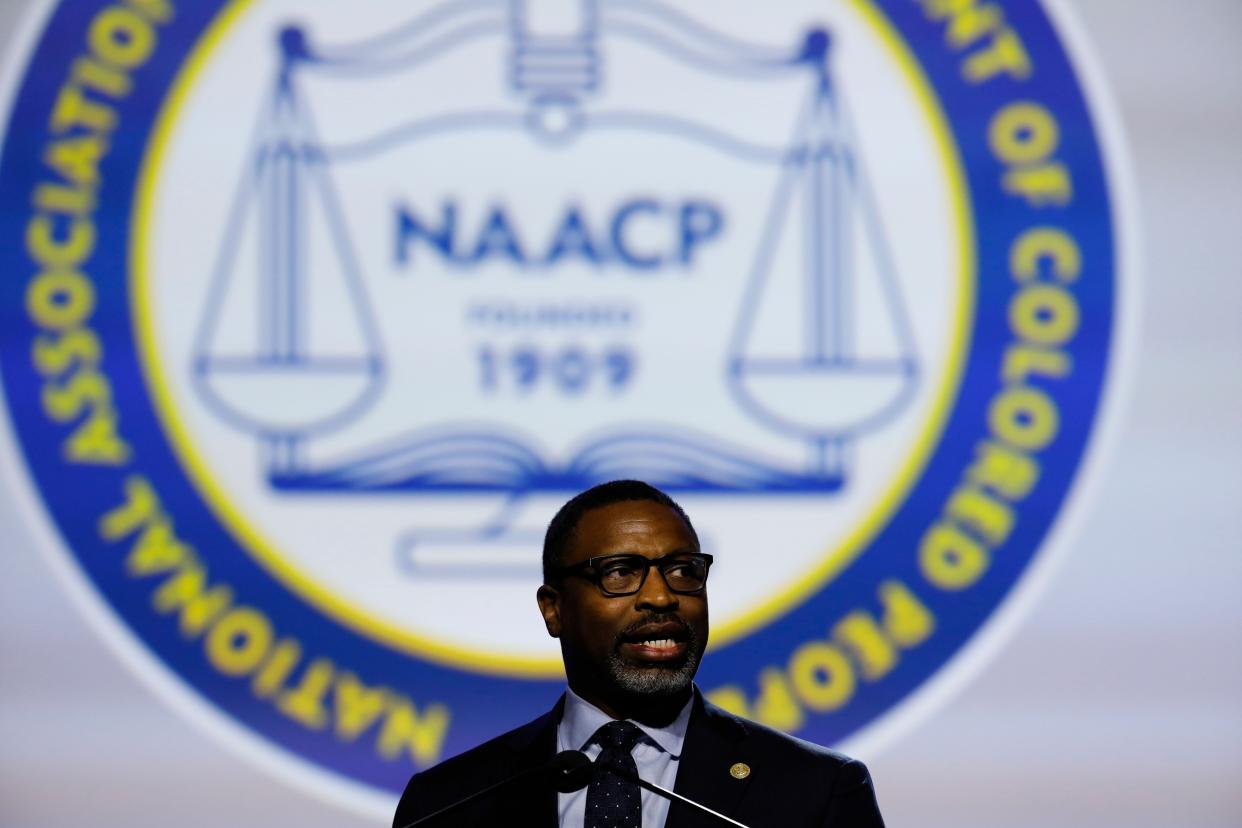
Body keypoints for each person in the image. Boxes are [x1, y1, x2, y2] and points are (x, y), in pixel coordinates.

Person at [393, 480, 886, 827]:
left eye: (683, 570)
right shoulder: (450, 802)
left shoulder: (817, 792)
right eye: (620, 572)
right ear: (554, 610)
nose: (661, 596)